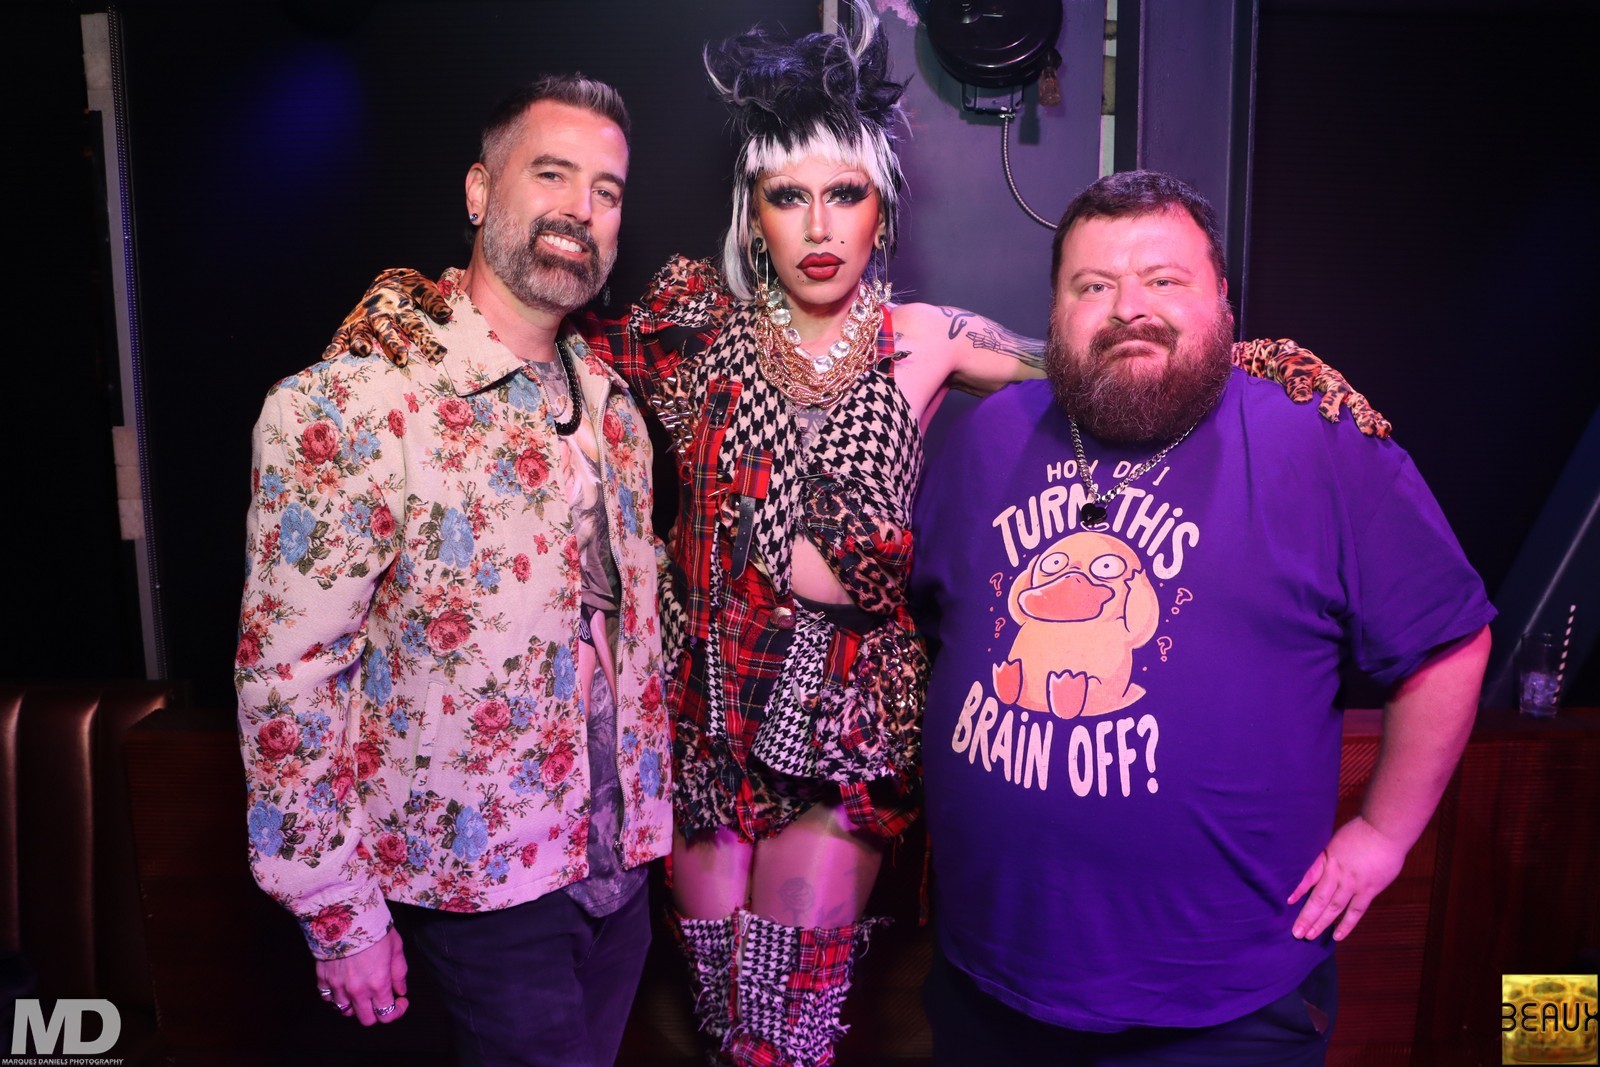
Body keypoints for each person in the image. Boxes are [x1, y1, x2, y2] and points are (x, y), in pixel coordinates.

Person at [329, 13, 1389, 1066]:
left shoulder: (923, 340)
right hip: (709, 714)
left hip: (846, 724)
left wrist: (1255, 359)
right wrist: (406, 305)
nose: (819, 225)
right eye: (788, 196)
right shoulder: (692, 333)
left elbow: (1094, 353)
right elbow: (530, 322)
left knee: (785, 1031)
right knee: (722, 1015)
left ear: (881, 210)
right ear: (755, 217)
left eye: (845, 193)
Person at [908, 169, 1495, 1066]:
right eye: (1092, 286)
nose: (1128, 308)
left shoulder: (1316, 436)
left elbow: (1448, 638)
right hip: (990, 983)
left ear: (1223, 298)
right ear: (1055, 312)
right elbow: (933, 624)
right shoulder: (993, 435)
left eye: (1164, 279)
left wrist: (1382, 836)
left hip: (1222, 1012)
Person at [234, 74, 671, 1067]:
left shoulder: (614, 410)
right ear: (479, 191)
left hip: (618, 872)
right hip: (480, 887)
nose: (581, 208)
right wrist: (336, 910)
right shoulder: (354, 404)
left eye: (606, 190)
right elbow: (288, 677)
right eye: (550, 173)